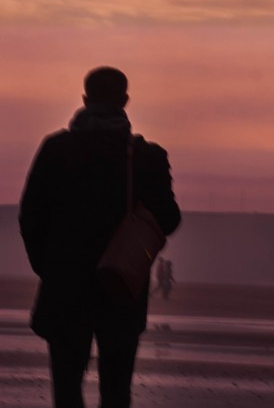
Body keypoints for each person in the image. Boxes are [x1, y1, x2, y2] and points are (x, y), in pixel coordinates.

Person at [20, 67, 182, 408]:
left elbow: (30, 215)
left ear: (85, 99)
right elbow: (168, 219)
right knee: (116, 391)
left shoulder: (57, 149)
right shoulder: (147, 157)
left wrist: (48, 267)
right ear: (124, 100)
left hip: (65, 285)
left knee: (66, 390)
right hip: (121, 285)